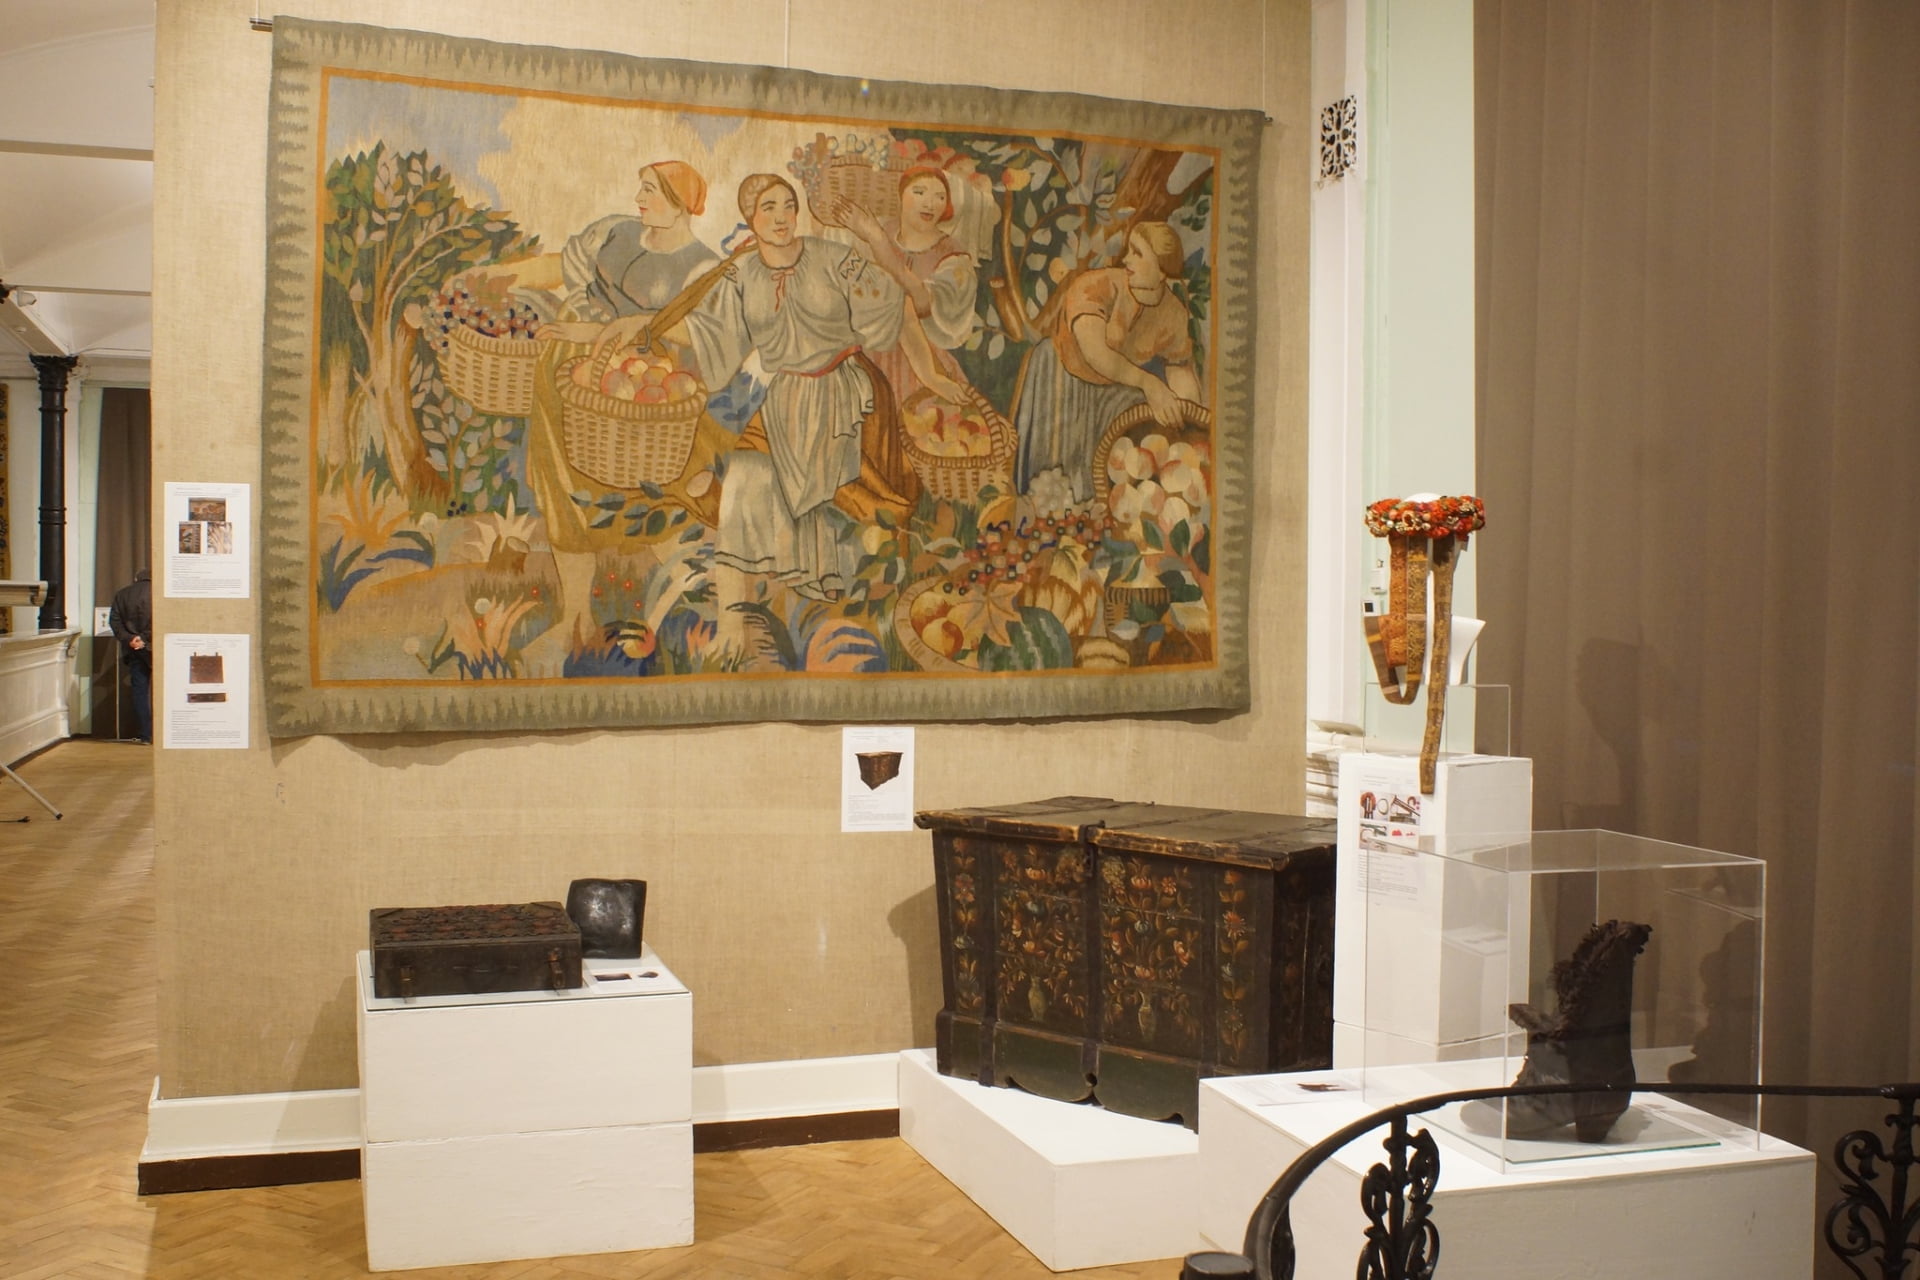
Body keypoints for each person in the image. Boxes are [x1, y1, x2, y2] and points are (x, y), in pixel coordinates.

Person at [659, 173, 915, 601]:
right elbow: (709, 331)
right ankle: (760, 593)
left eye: (788, 206)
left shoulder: (833, 257)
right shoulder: (740, 273)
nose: (781, 217)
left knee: (835, 484)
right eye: (769, 207)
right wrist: (639, 326)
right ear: (750, 217)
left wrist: (874, 249)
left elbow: (888, 298)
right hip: (780, 395)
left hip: (843, 391)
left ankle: (849, 582)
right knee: (744, 474)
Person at [1012, 221, 1203, 503]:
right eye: (1129, 251)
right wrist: (1149, 383)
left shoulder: (1173, 312)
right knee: (1053, 479)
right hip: (1062, 377)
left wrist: (1191, 426)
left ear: (1162, 269)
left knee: (1105, 480)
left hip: (1114, 389)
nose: (1126, 260)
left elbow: (1180, 370)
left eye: (1137, 253)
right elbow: (1095, 353)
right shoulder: (1098, 284)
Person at [829, 165, 979, 408]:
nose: (929, 204)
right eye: (919, 192)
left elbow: (920, 304)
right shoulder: (879, 230)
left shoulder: (953, 255)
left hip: (924, 361)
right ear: (901, 196)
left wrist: (879, 243)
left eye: (939, 197)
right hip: (871, 352)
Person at [109, 568, 152, 743]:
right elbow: (164, 619)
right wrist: (145, 638)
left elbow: (115, 622)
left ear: (136, 578)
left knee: (140, 692)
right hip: (157, 647)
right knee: (166, 689)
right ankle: (166, 732)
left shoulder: (122, 594)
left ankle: (146, 734)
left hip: (134, 649)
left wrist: (131, 639)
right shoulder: (160, 593)